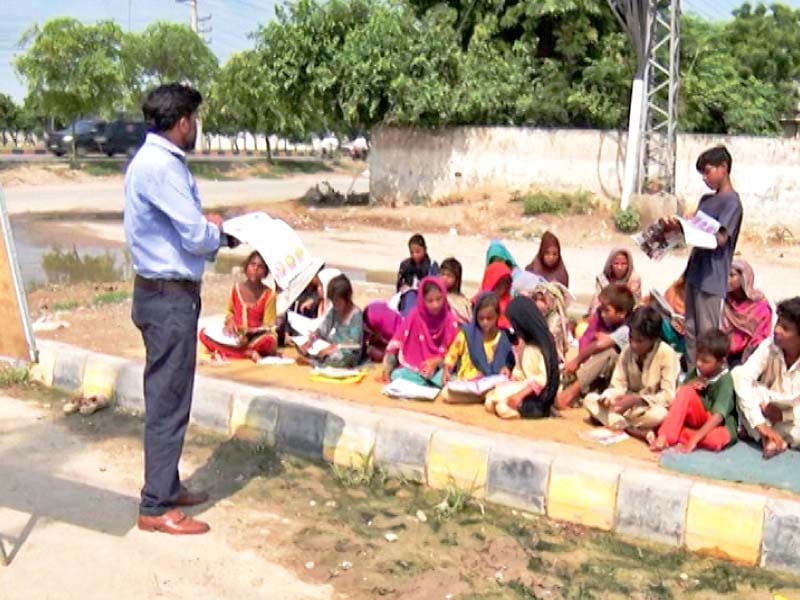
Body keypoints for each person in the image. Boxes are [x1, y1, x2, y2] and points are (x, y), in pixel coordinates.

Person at [125, 83, 238, 535]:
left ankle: (166, 485)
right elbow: (194, 236)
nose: (197, 128)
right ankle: (155, 506)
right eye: (195, 119)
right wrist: (223, 234)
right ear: (183, 121)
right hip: (167, 297)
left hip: (163, 294)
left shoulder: (155, 161)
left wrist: (204, 225)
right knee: (169, 401)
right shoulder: (161, 166)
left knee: (170, 395)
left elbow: (182, 226)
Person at [666, 145, 742, 367]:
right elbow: (695, 231)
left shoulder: (732, 203)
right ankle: (692, 375)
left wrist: (693, 230)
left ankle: (710, 379)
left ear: (723, 168)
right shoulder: (706, 201)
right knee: (690, 330)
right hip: (695, 272)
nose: (705, 178)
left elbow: (719, 239)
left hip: (713, 275)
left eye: (708, 172)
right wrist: (678, 228)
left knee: (707, 333)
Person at [584, 306, 679, 434]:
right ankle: (634, 430)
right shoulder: (627, 351)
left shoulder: (667, 354)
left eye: (640, 341)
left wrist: (638, 399)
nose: (634, 344)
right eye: (631, 338)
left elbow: (668, 396)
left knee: (659, 415)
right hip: (624, 408)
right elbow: (618, 385)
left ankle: (619, 424)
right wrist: (608, 397)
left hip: (648, 408)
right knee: (589, 400)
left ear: (653, 339)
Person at [649, 328, 736, 452]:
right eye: (698, 358)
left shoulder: (725, 380)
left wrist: (694, 440)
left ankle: (682, 434)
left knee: (715, 440)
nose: (699, 364)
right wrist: (689, 385)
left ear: (721, 362)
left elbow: (717, 417)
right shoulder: (697, 371)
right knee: (685, 391)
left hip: (716, 425)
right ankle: (665, 437)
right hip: (697, 420)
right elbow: (680, 401)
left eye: (705, 361)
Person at [733, 297, 800, 459]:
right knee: (738, 375)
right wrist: (761, 424)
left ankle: (765, 438)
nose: (776, 330)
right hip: (764, 406)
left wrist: (784, 415)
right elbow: (744, 377)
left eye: (785, 328)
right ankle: (767, 435)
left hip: (792, 414)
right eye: (778, 324)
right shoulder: (769, 346)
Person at [557, 284, 635, 410]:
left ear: (622, 313)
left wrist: (576, 362)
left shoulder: (627, 329)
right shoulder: (600, 317)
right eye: (602, 310)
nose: (603, 314)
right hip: (602, 371)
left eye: (607, 310)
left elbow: (598, 345)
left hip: (626, 377)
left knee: (610, 353)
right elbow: (588, 338)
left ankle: (570, 394)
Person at [485, 296, 560, 419]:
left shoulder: (541, 346)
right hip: (520, 385)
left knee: (502, 409)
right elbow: (518, 368)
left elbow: (541, 380)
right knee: (490, 400)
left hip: (533, 395)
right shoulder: (523, 343)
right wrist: (509, 371)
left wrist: (519, 396)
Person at [198, 251, 277, 362]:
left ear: (265, 272)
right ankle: (247, 353)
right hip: (235, 337)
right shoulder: (237, 288)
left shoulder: (269, 294)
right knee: (203, 333)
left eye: (260, 267)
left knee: (270, 340)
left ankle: (234, 352)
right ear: (246, 267)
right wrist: (230, 322)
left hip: (255, 339)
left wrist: (250, 334)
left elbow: (269, 326)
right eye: (252, 265)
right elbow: (230, 311)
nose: (255, 269)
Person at [382, 277, 459, 389]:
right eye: (430, 301)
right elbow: (396, 344)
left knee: (449, 379)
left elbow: (456, 352)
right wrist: (386, 369)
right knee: (397, 375)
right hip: (415, 369)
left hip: (440, 369)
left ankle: (428, 383)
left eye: (439, 299)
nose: (435, 305)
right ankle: (427, 384)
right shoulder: (415, 317)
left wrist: (436, 361)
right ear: (422, 301)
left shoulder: (449, 320)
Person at [442, 292, 514, 403]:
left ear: (498, 316)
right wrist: (447, 370)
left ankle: (485, 398)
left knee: (500, 393)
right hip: (468, 383)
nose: (485, 322)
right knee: (446, 393)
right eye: (481, 318)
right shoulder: (467, 334)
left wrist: (506, 369)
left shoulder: (504, 337)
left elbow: (510, 362)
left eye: (489, 318)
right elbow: (452, 355)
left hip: (493, 385)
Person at [299, 274, 363, 368]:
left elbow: (355, 343)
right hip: (331, 345)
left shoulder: (356, 314)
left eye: (338, 302)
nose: (335, 305)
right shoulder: (334, 310)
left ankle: (315, 363)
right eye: (333, 302)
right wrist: (312, 338)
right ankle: (317, 359)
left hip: (348, 352)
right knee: (308, 348)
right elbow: (324, 327)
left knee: (339, 358)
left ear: (347, 298)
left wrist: (334, 348)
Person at [723, 259, 772, 367]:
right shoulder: (725, 301)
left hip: (748, 356)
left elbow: (760, 337)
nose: (727, 279)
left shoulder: (760, 306)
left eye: (732, 275)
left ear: (744, 278)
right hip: (723, 352)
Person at [396, 233, 439, 316]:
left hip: (426, 301)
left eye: (418, 252)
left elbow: (436, 287)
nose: (415, 255)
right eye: (412, 252)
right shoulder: (405, 265)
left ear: (425, 249)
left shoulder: (432, 265)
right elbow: (398, 286)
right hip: (407, 301)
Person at [588, 248, 641, 313]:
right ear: (610, 264)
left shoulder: (634, 278)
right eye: (616, 263)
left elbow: (634, 302)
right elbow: (597, 299)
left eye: (624, 264)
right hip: (605, 312)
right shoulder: (602, 278)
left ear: (629, 264)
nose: (620, 267)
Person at [532, 282, 571, 364]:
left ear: (552, 302)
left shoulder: (556, 320)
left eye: (542, 300)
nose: (537, 303)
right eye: (535, 299)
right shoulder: (538, 317)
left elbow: (548, 341)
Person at [475, 262, 513, 330]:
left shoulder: (511, 304)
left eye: (506, 282)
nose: (502, 286)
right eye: (499, 282)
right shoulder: (477, 303)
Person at [440, 257, 472, 324]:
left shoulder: (463, 300)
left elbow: (468, 319)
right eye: (442, 274)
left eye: (449, 276)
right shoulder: (437, 297)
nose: (444, 278)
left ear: (457, 279)